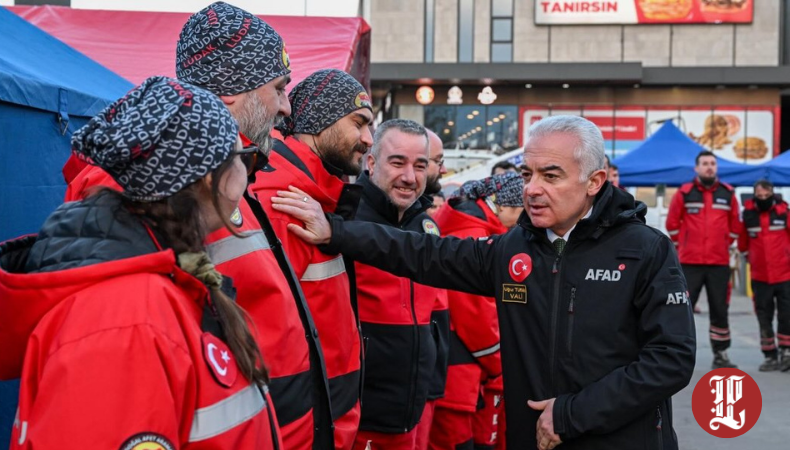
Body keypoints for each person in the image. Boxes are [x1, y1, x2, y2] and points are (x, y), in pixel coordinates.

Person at [272, 115, 696, 450]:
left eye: (550, 176)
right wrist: (336, 231)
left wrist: (571, 414)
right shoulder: (516, 248)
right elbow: (424, 254)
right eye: (527, 174)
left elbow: (671, 359)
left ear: (594, 182)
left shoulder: (646, 250)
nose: (531, 189)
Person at [64, 4, 334, 450]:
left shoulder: (227, 171)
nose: (287, 108)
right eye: (279, 88)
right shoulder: (153, 182)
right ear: (232, 92)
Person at [0, 77, 282, 448]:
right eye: (246, 160)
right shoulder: (125, 323)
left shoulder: (168, 281)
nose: (249, 174)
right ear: (210, 178)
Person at [252, 68, 373, 450]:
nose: (369, 139)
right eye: (359, 123)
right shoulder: (280, 199)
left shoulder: (316, 195)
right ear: (320, 120)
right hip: (304, 428)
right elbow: (267, 344)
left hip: (327, 420)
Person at [324, 119, 440, 450]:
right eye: (397, 162)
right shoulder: (341, 219)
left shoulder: (426, 225)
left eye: (420, 165)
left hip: (413, 410)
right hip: (358, 416)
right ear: (371, 162)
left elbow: (437, 318)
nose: (409, 176)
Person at [429, 172, 524, 450]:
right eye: (521, 211)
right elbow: (475, 312)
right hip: (462, 371)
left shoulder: (472, 227)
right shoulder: (472, 235)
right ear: (503, 206)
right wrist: (500, 360)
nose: (522, 219)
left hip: (462, 366)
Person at [666, 150, 740, 369]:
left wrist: (724, 244)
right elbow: (672, 223)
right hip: (690, 263)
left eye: (712, 163)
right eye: (705, 163)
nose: (709, 167)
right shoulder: (685, 193)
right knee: (681, 308)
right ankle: (675, 355)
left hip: (719, 263)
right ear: (696, 168)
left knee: (720, 308)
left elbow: (736, 226)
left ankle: (721, 354)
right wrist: (684, 246)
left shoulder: (728, 194)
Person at [738, 179, 790, 372]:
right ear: (754, 195)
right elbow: (743, 242)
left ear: (772, 194)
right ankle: (770, 355)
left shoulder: (784, 212)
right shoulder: (749, 214)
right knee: (764, 316)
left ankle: (786, 352)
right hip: (760, 276)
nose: (763, 199)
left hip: (785, 274)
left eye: (766, 196)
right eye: (759, 196)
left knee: (786, 315)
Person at [422, 128, 450, 446]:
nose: (442, 170)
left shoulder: (424, 222)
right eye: (436, 161)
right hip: (384, 400)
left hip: (426, 382)